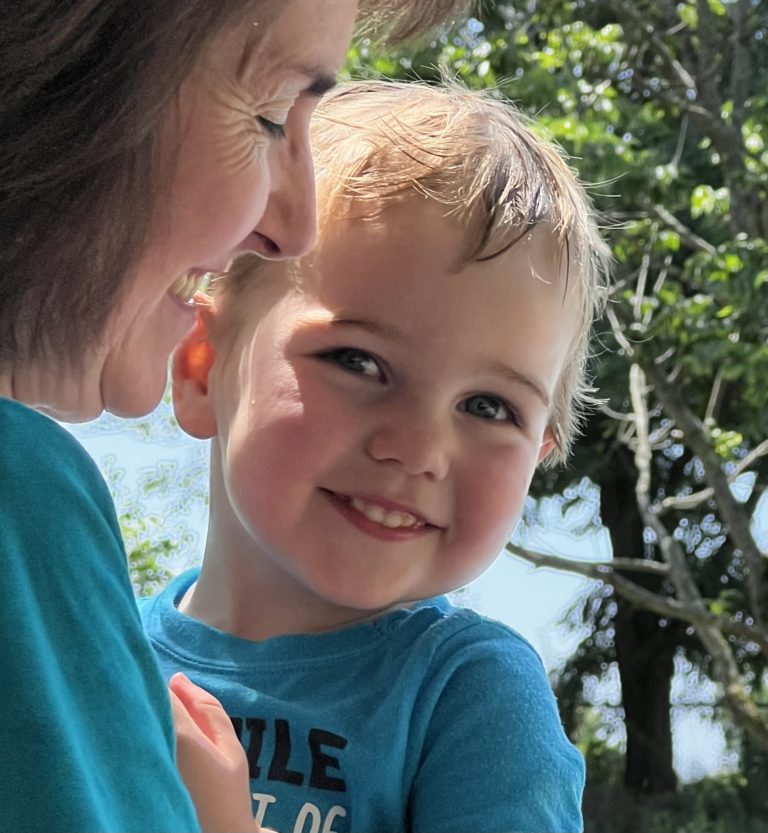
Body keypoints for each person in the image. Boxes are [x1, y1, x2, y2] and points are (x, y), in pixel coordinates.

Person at [0, 3, 469, 830]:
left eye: (491, 405)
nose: (294, 226)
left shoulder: (465, 688)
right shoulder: (20, 498)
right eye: (265, 115)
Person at [141, 79, 613, 833]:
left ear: (538, 455)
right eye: (358, 362)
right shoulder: (93, 652)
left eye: (489, 407)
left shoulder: (468, 699)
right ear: (201, 364)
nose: (419, 448)